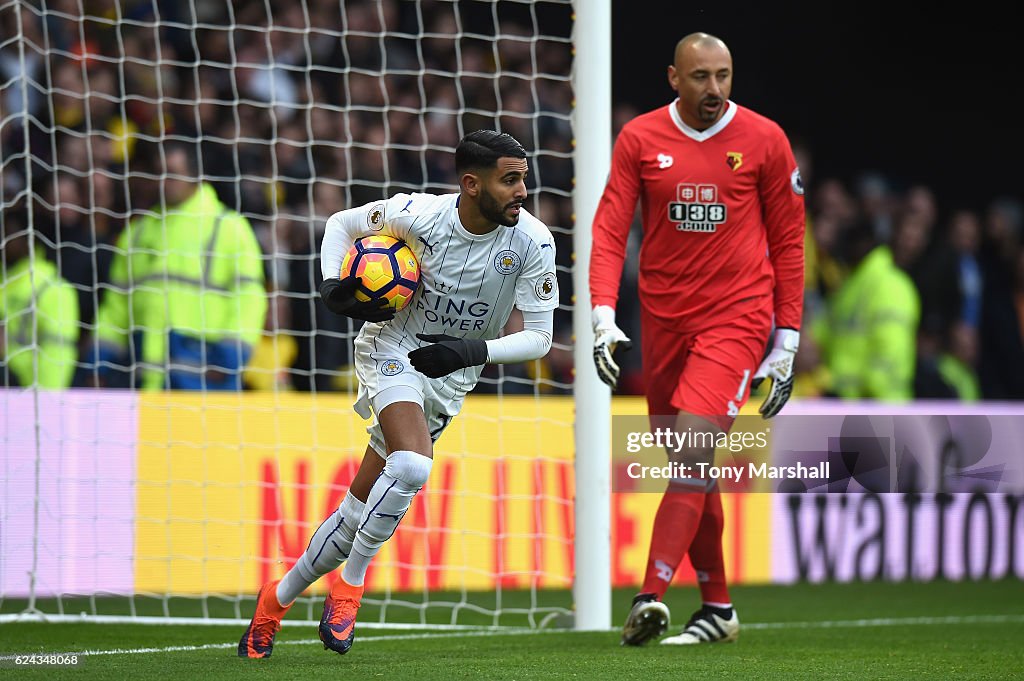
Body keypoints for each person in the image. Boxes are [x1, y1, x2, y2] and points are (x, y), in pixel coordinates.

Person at [238, 130, 558, 658]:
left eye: (523, 178)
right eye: (510, 180)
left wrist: (470, 351)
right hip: (393, 346)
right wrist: (329, 284)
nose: (523, 191)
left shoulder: (534, 241)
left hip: (453, 372)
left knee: (356, 508)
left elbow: (540, 339)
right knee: (412, 465)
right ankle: (351, 586)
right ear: (472, 185)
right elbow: (341, 224)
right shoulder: (419, 215)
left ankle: (276, 599)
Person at [589, 33, 805, 646]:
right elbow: (609, 230)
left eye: (724, 76)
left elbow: (790, 243)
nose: (715, 89)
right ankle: (718, 608)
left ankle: (649, 596)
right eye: (702, 77)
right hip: (663, 323)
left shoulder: (765, 140)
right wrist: (604, 314)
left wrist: (785, 337)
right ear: (673, 78)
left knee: (692, 447)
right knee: (689, 462)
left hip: (736, 320)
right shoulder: (640, 139)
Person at [89, 140, 267, 390]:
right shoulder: (137, 232)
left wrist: (230, 356)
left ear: (195, 176)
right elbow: (116, 304)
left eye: (172, 174)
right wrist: (101, 360)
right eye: (158, 173)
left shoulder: (228, 226)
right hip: (141, 371)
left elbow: (249, 298)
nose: (163, 182)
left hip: (206, 369)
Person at [1, 209, 80, 388]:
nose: (4, 240)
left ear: (28, 238)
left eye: (10, 234)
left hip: (26, 390)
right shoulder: (5, 281)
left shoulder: (51, 287)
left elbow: (57, 350)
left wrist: (47, 402)